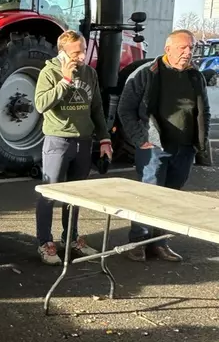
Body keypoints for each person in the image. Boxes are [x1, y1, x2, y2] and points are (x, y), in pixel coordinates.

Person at [118, 29, 211, 262]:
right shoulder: (146, 73)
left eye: (190, 48)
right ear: (167, 49)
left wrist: (200, 142)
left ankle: (160, 243)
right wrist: (140, 139)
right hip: (154, 147)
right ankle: (138, 242)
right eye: (183, 48)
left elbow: (204, 111)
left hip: (185, 148)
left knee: (171, 198)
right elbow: (125, 110)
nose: (188, 53)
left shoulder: (195, 76)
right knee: (148, 195)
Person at [34, 30, 113, 265]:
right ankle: (44, 242)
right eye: (76, 53)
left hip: (84, 140)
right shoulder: (49, 72)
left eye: (83, 51)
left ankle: (71, 238)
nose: (81, 57)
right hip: (58, 141)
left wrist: (105, 139)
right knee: (49, 194)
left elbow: (97, 108)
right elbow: (40, 104)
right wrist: (65, 81)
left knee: (76, 195)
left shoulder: (90, 73)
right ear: (62, 53)